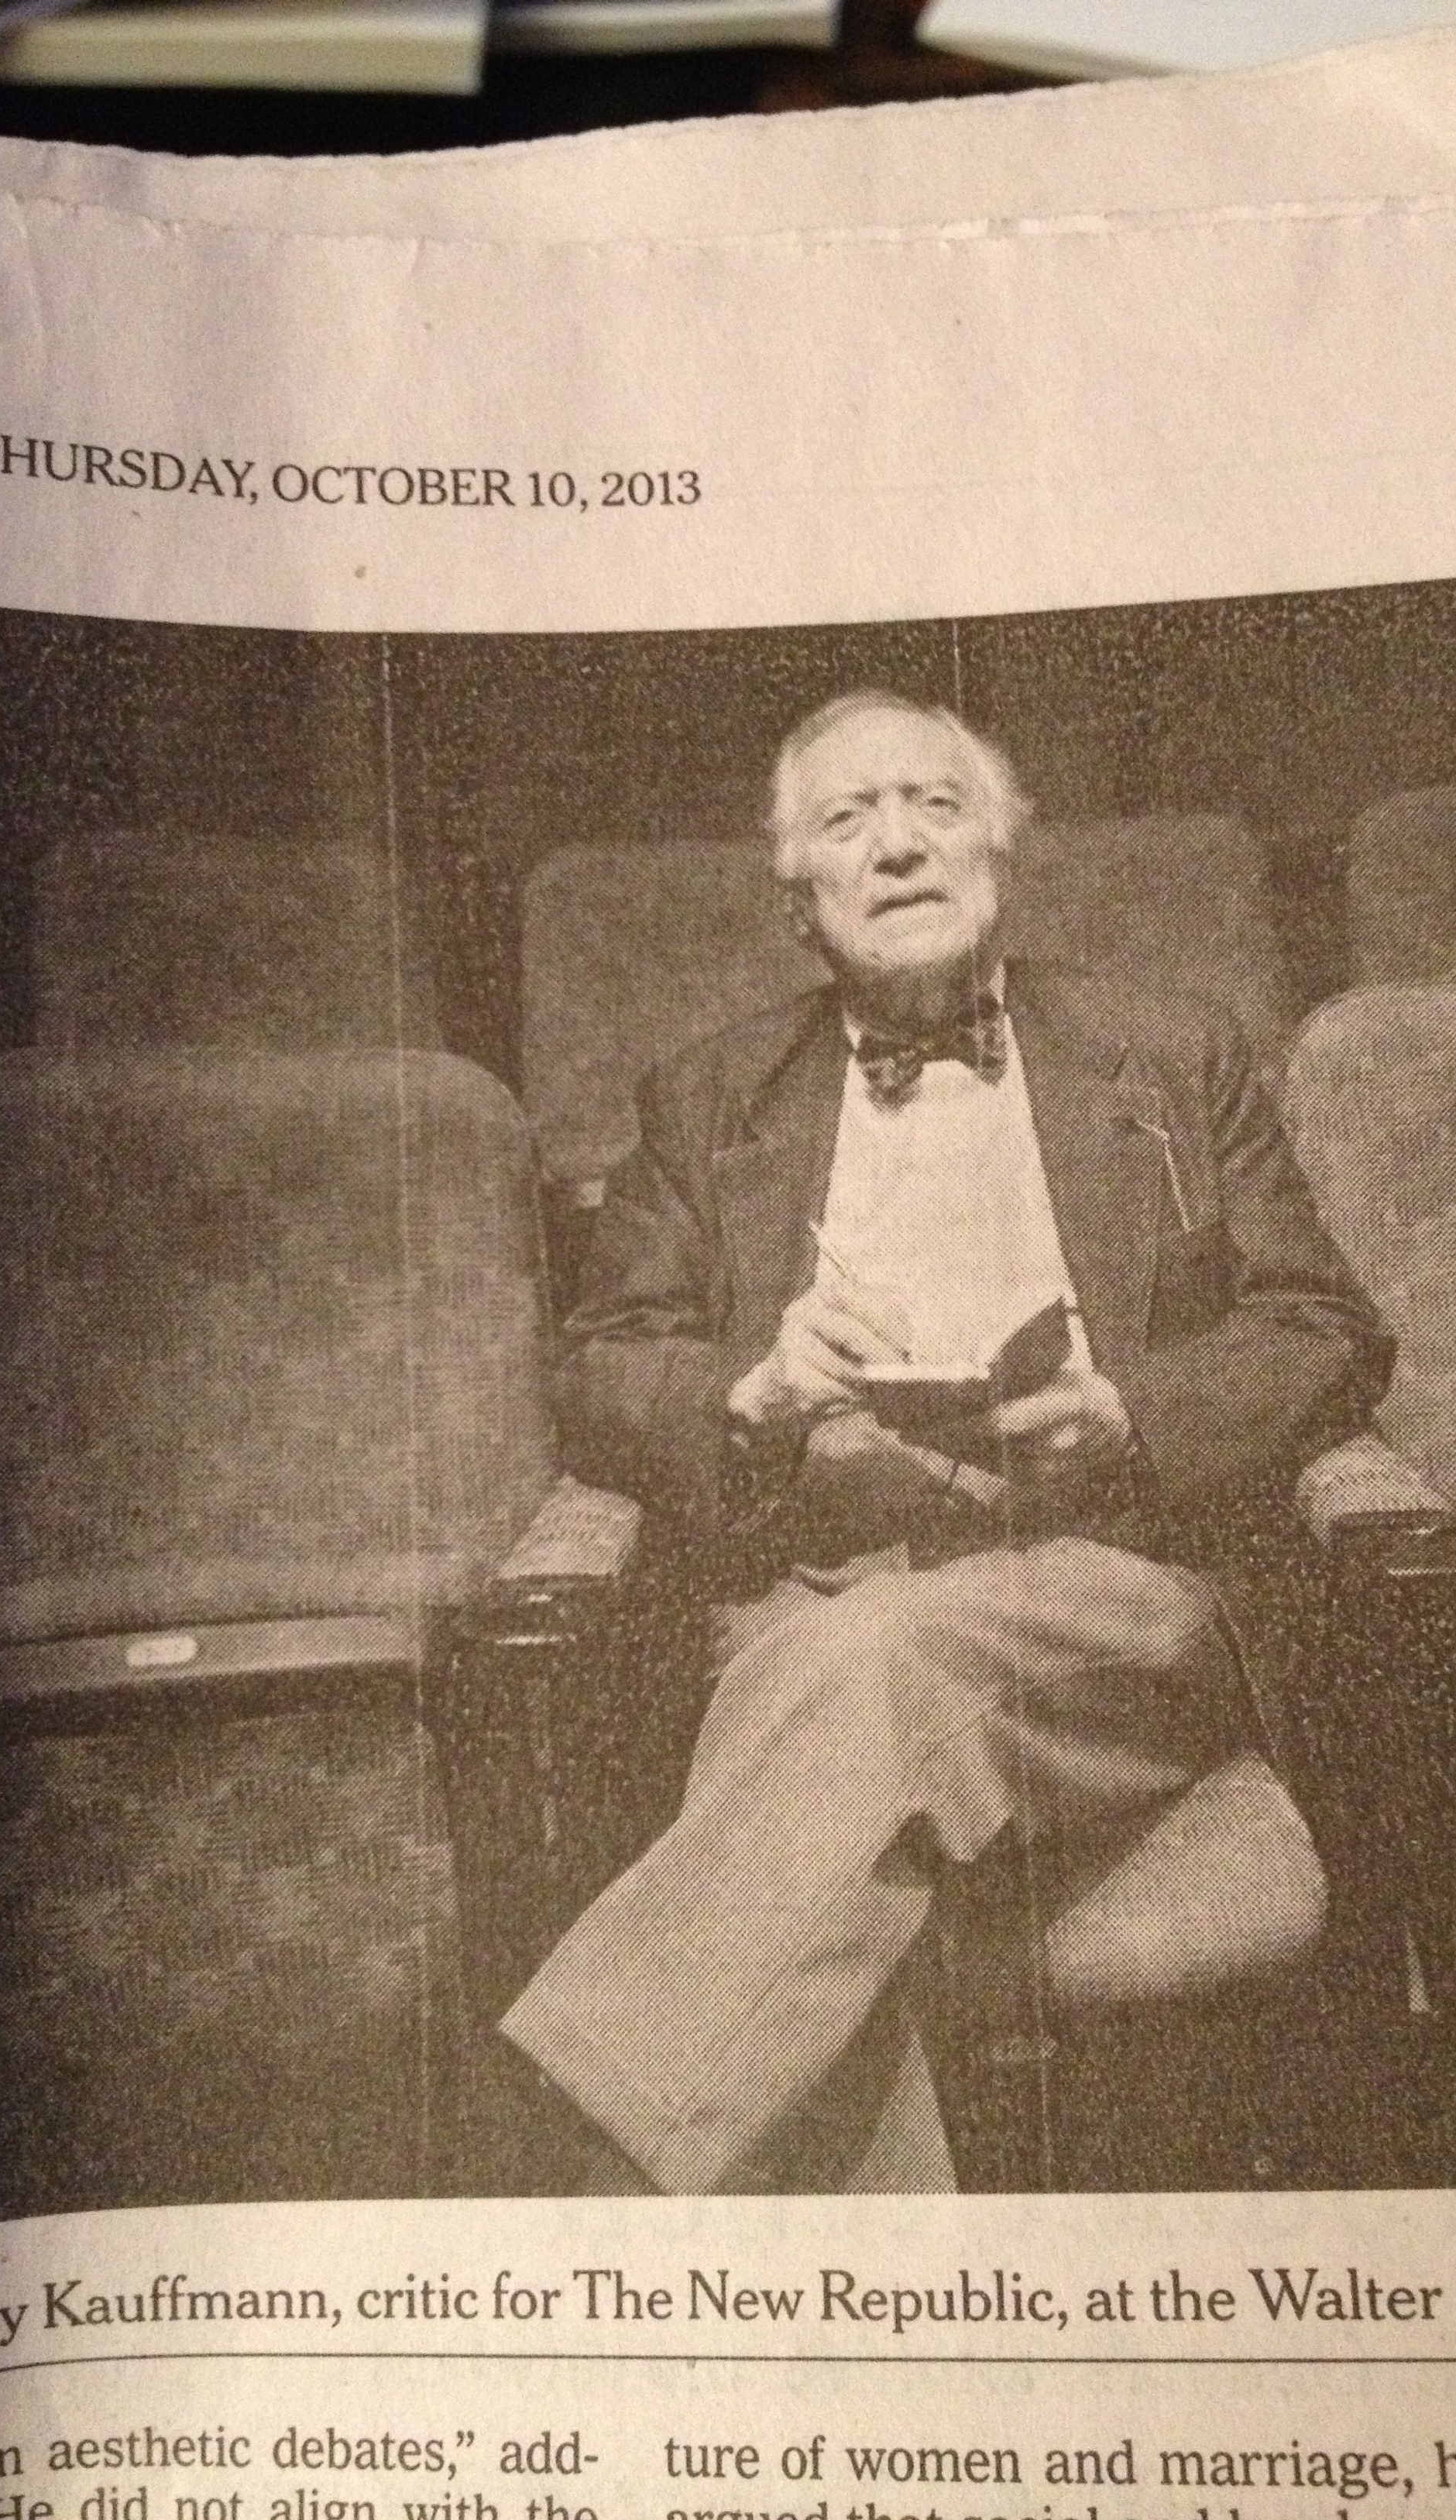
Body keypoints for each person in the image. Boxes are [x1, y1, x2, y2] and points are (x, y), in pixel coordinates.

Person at [502, 691, 1393, 2192]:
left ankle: (596, 2183)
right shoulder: (707, 1096)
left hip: (1111, 1592)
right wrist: (753, 1388)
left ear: (999, 850)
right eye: (848, 820)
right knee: (844, 1736)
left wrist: (1133, 1411)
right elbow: (599, 1370)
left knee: (855, 1671)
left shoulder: (1169, 1054)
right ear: (797, 895)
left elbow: (1325, 1330)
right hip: (820, 1589)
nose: (899, 846)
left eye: (934, 804)